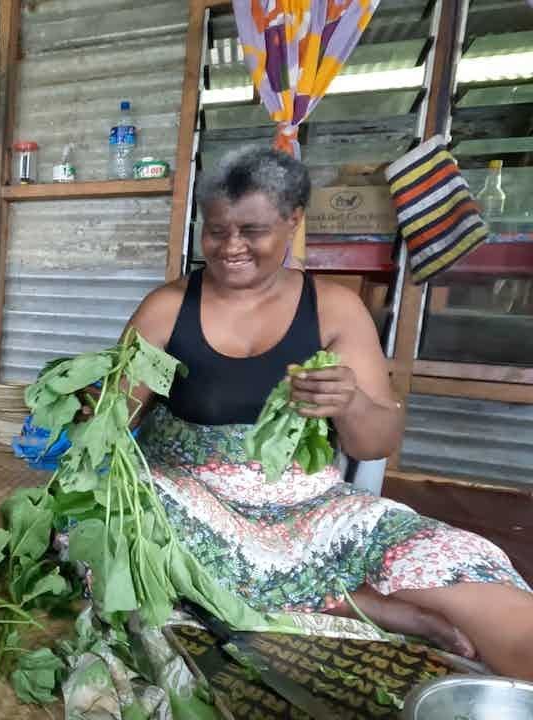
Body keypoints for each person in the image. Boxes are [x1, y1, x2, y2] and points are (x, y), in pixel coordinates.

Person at [121, 146, 533, 679]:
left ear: (293, 222)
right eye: (217, 230)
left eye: (253, 230)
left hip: (310, 509)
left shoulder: (334, 308)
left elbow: (373, 444)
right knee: (119, 517)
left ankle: (348, 596)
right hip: (186, 498)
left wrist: (352, 402)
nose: (230, 247)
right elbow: (111, 418)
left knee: (453, 565)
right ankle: (361, 602)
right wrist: (73, 417)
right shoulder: (167, 308)